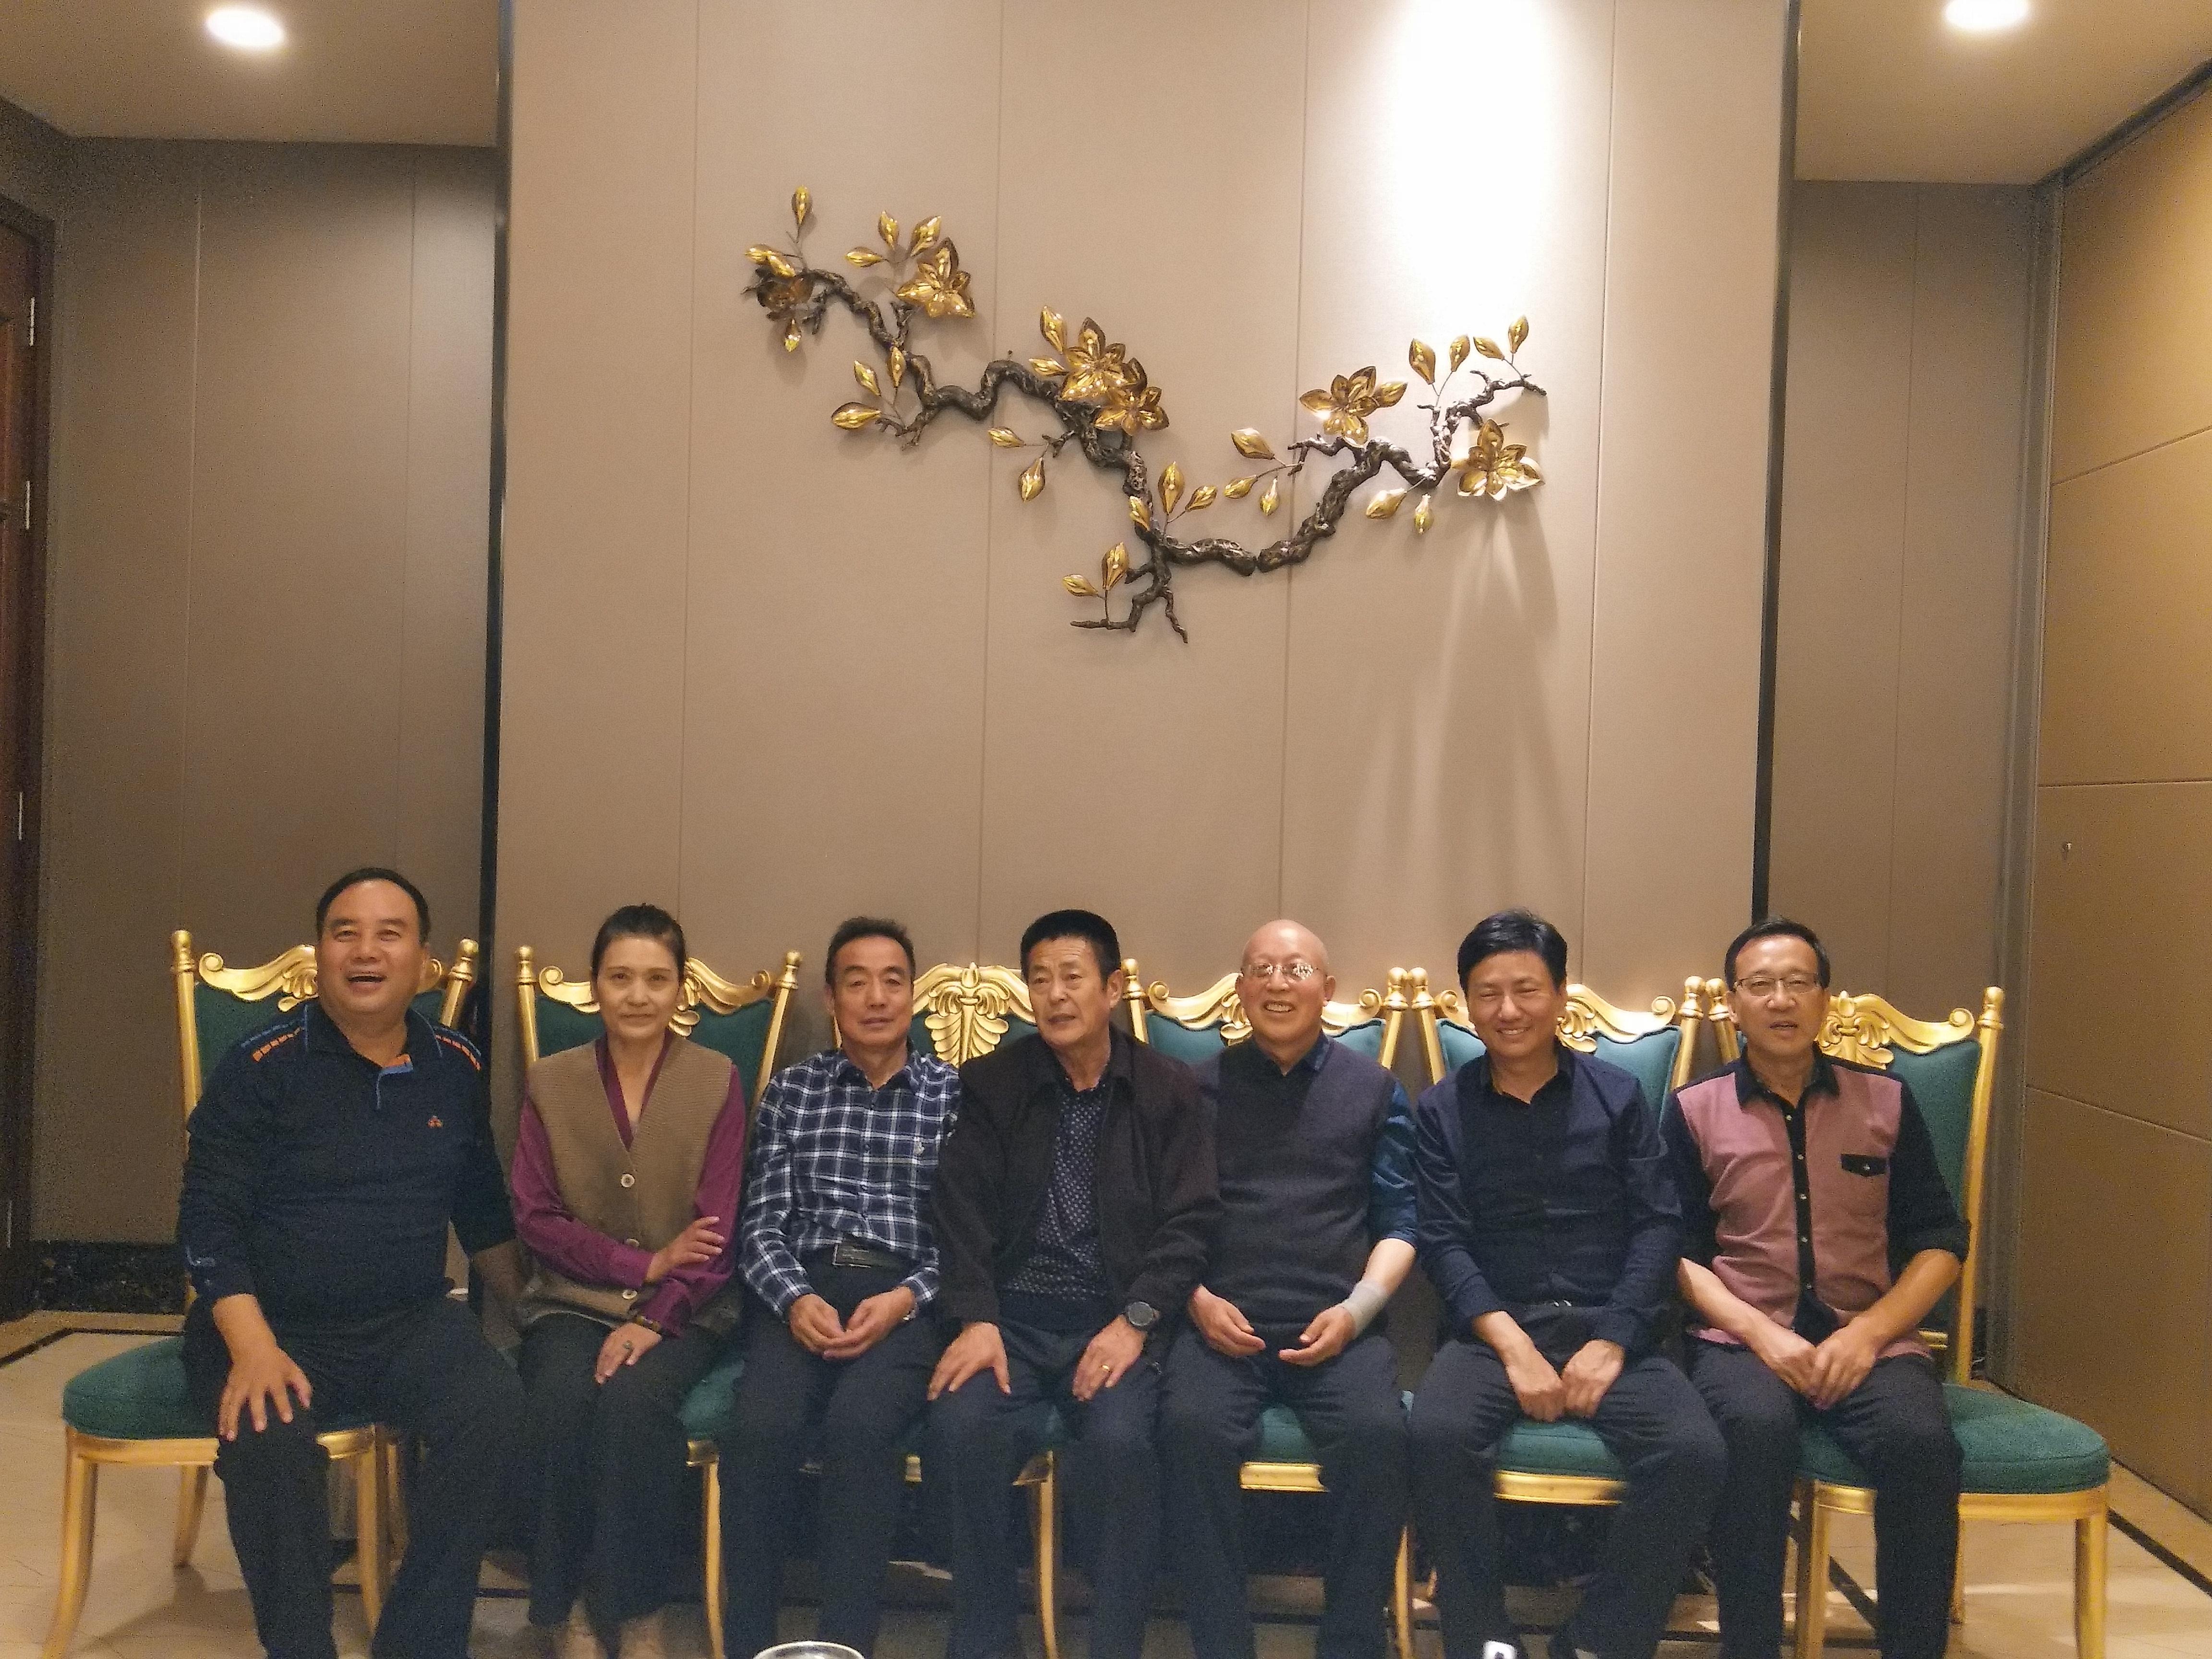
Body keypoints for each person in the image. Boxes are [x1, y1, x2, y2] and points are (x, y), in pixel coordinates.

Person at [178, 867, 526, 1659]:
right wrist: (252, 1347)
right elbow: (207, 1222)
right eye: (346, 933)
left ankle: (420, 1641)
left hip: (406, 1322)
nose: (366, 951)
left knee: (494, 1407)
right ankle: (301, 1646)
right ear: (320, 954)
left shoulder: (456, 1065)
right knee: (268, 1438)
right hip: (268, 1325)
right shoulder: (260, 1066)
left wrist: (528, 1316)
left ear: (424, 961)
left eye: (388, 934)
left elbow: (482, 1208)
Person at [1407, 909, 1723, 1659]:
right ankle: (1484, 1638)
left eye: (1526, 990)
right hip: (1494, 1332)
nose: (1507, 1010)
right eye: (1488, 993)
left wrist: (1614, 1340)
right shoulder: (1441, 1109)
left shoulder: (1618, 1097)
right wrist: (1512, 1346)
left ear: (1559, 995)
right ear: (1467, 1003)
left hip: (1610, 1326)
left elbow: (1659, 1226)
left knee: (1694, 1454)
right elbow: (1443, 1241)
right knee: (1436, 1436)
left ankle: (1600, 1639)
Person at [1663, 919, 1966, 1659]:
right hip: (1741, 1340)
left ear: (1826, 999)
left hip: (1872, 1338)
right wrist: (1761, 1335)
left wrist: (1868, 1335)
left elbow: (1940, 1242)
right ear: (1733, 1003)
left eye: (1799, 983)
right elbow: (1674, 1254)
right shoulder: (1694, 1109)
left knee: (1922, 1445)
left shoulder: (1886, 1101)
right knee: (1754, 1433)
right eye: (1761, 985)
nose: (1781, 1000)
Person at [926, 909, 1218, 1659]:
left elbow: (1191, 1223)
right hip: (1011, 1323)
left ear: (1112, 988)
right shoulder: (994, 1083)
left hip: (1112, 1320)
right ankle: (986, 1642)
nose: (1054, 995)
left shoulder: (1166, 1089)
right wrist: (976, 1318)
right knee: (961, 1430)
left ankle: (1113, 1646)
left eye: (1072, 978)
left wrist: (1136, 1320)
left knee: (1122, 1447)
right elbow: (959, 1207)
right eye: (1040, 979)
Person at [1160, 920, 1417, 1659]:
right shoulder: (1193, 1090)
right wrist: (1195, 1299)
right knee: (1187, 1430)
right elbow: (1159, 1217)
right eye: (1262, 970)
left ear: (1326, 990)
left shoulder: (1374, 1090)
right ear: (1240, 990)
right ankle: (1222, 1644)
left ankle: (1351, 1642)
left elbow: (1403, 1223)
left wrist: (1357, 1312)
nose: (1278, 983)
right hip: (1219, 1327)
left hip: (1339, 1329)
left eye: (1296, 969)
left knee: (1379, 1437)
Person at [509, 903, 745, 1658]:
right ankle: (566, 1607)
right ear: (595, 986)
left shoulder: (716, 1081)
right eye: (620, 978)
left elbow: (718, 1232)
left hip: (690, 1310)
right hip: (571, 1302)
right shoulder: (552, 1082)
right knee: (558, 1401)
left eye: (656, 979)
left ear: (681, 989)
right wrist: (639, 1266)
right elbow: (536, 1218)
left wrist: (655, 1313)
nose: (638, 996)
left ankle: (639, 1611)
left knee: (633, 1407)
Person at [721, 916, 960, 1659]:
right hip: (802, 1290)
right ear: (831, 998)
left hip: (905, 1297)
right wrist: (794, 1298)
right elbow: (759, 1223)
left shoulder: (952, 1096)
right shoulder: (792, 1092)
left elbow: (968, 1239)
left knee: (862, 1429)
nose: (876, 998)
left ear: (914, 995)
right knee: (759, 1429)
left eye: (893, 981)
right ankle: (749, 1644)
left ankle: (844, 1645)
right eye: (858, 983)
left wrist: (905, 1300)